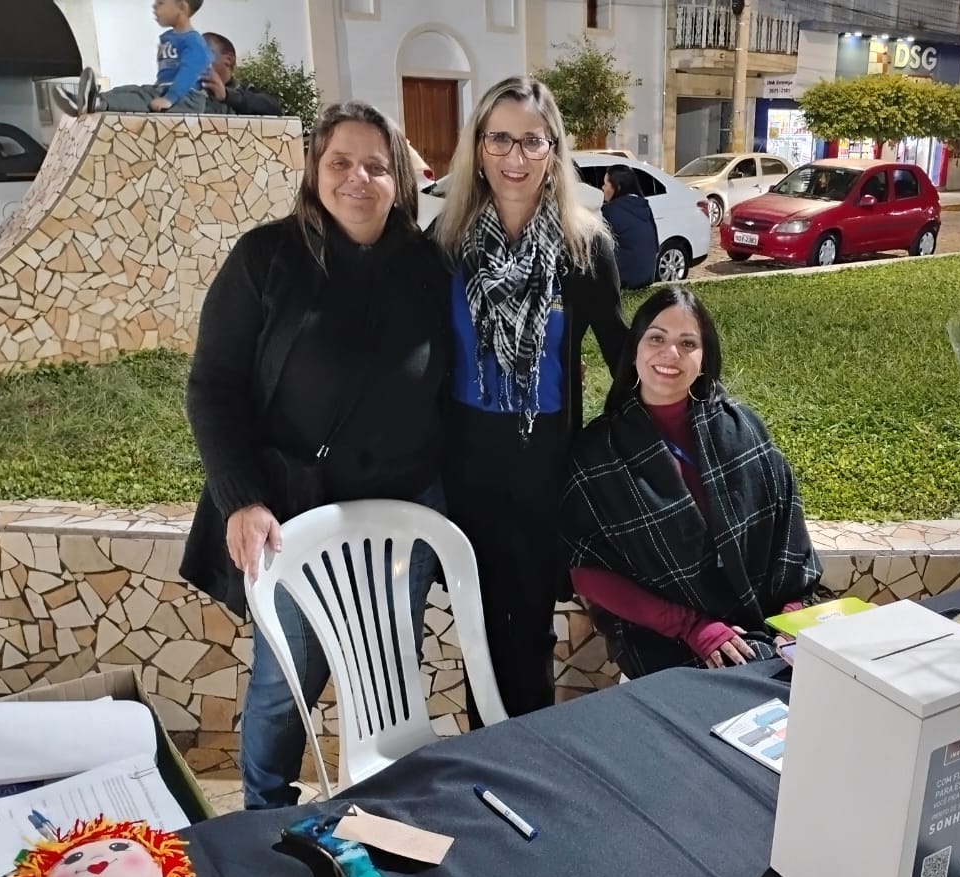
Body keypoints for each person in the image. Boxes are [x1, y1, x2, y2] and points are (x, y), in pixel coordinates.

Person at [180, 101, 451, 809]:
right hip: (294, 515)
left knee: (388, 675)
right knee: (285, 683)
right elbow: (212, 387)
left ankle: (384, 806)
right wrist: (241, 498)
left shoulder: (428, 264)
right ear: (315, 170)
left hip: (399, 517)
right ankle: (263, 813)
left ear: (399, 179)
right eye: (340, 162)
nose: (358, 178)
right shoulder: (266, 257)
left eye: (376, 165)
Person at [431, 76, 627, 717]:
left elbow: (619, 355)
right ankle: (482, 757)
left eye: (531, 141)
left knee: (534, 626)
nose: (514, 158)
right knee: (480, 626)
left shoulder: (584, 245)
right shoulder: (446, 242)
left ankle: (528, 755)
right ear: (478, 147)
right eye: (500, 139)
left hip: (546, 462)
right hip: (466, 462)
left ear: (553, 150)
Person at [561, 286, 822, 679]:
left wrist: (792, 620)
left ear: (704, 359)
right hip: (665, 638)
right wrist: (691, 626)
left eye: (687, 343)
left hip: (770, 627)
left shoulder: (743, 430)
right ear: (634, 350)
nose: (671, 354)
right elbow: (585, 570)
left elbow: (789, 533)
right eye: (656, 338)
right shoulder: (598, 452)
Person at [52, 0, 213, 116]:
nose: (154, 6)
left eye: (161, 3)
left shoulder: (193, 41)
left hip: (187, 98)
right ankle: (89, 101)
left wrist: (169, 99)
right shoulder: (170, 38)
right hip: (166, 91)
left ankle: (99, 103)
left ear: (182, 7)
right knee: (131, 90)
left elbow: (189, 73)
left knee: (141, 98)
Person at [601, 164, 658, 289]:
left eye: (605, 184)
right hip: (648, 276)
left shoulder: (610, 210)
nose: (602, 188)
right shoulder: (644, 206)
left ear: (618, 187)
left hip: (624, 281)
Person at [201, 33, 284, 116]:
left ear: (229, 59)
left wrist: (227, 95)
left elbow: (275, 110)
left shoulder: (245, 91)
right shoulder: (195, 93)